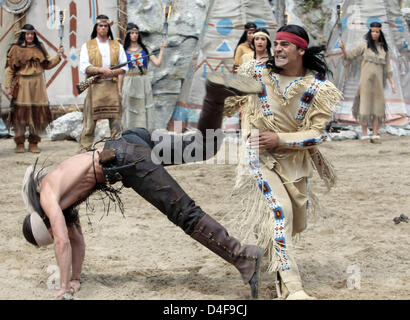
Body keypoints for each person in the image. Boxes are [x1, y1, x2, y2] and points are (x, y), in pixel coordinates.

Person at [21, 72, 264, 300]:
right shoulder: (60, 193)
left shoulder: (48, 197)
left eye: (50, 232)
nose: (55, 232)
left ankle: (243, 256)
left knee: (184, 213)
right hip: (130, 140)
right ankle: (215, 94)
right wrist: (74, 279)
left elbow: (63, 242)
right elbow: (77, 242)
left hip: (126, 158)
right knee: (202, 147)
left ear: (43, 222)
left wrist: (63, 288)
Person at [224, 24, 342, 299]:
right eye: (275, 43)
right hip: (259, 156)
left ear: (301, 49)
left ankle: (265, 256)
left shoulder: (318, 87)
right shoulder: (255, 71)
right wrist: (220, 94)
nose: (276, 48)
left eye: (284, 44)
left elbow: (317, 134)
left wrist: (280, 139)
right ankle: (293, 289)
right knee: (280, 212)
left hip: (295, 164)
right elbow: (229, 102)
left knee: (290, 221)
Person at [4, 24, 64, 153]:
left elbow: (47, 64)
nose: (30, 36)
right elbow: (9, 69)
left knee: (37, 114)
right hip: (22, 84)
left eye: (32, 34)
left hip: (38, 84)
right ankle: (19, 142)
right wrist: (9, 86)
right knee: (20, 114)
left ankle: (34, 142)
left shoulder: (39, 47)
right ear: (23, 35)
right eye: (27, 34)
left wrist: (58, 56)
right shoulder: (15, 49)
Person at [339, 22, 397, 144]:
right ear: (369, 32)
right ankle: (365, 134)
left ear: (380, 33)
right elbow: (350, 57)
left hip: (379, 84)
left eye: (377, 32)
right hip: (365, 82)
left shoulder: (383, 49)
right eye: (372, 31)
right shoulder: (364, 46)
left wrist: (392, 83)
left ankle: (375, 134)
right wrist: (343, 49)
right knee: (364, 107)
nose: (374, 34)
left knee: (378, 108)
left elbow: (388, 68)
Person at [78, 15, 128, 152]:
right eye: (100, 25)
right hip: (95, 87)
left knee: (116, 123)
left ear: (108, 27)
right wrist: (100, 70)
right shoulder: (87, 46)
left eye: (106, 26)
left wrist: (111, 72)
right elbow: (84, 67)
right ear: (96, 27)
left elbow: (124, 67)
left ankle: (118, 149)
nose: (103, 28)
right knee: (89, 124)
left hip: (112, 86)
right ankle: (85, 149)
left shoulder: (117, 45)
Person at [118, 23, 167, 131]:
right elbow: (121, 72)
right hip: (130, 81)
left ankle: (145, 132)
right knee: (130, 107)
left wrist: (162, 49)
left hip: (143, 81)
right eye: (132, 33)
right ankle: (130, 131)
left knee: (144, 107)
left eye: (136, 33)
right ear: (128, 35)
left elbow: (157, 63)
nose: (134, 35)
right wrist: (119, 89)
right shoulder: (123, 51)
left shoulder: (145, 49)